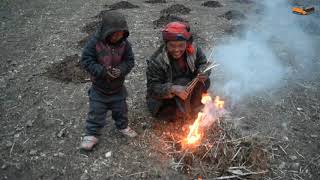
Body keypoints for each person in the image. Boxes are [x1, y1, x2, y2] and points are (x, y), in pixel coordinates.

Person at [80, 11, 137, 151]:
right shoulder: (94, 43)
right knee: (96, 111)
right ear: (106, 31)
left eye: (121, 33)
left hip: (118, 88)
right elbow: (86, 60)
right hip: (99, 88)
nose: (118, 36)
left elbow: (129, 61)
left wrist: (121, 70)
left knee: (121, 109)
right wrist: (102, 72)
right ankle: (91, 134)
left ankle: (122, 126)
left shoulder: (125, 44)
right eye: (114, 33)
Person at [146, 21, 211, 121]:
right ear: (166, 44)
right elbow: (152, 88)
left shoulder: (194, 50)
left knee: (204, 80)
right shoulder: (157, 60)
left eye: (181, 45)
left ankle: (195, 106)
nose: (176, 50)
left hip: (187, 87)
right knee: (173, 114)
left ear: (187, 43)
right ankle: (186, 115)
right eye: (172, 45)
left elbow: (203, 63)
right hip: (168, 98)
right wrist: (172, 88)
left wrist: (204, 71)